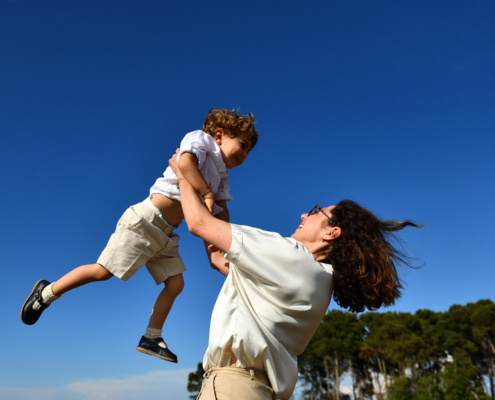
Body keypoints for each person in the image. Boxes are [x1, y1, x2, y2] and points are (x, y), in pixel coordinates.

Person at [169, 154, 423, 400]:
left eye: (315, 212)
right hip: (260, 390)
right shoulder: (321, 280)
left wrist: (182, 174)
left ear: (332, 233)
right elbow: (218, 256)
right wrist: (219, 193)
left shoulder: (290, 254)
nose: (304, 215)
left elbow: (199, 224)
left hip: (232, 388)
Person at [20, 109, 259, 364]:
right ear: (220, 135)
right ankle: (47, 292)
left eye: (248, 152)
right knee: (103, 272)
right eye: (242, 145)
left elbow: (221, 212)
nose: (244, 155)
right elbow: (185, 164)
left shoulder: (221, 175)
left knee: (176, 284)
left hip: (166, 234)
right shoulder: (201, 140)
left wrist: (224, 250)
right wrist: (207, 194)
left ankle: (151, 337)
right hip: (145, 220)